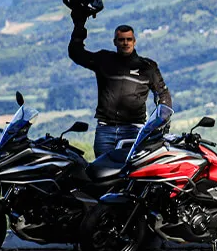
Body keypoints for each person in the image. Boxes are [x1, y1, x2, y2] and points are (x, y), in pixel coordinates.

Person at [69, 14, 172, 157]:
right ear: (115, 42)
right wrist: (79, 25)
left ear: (134, 41)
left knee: (129, 175)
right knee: (102, 175)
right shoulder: (104, 59)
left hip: (133, 131)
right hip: (105, 131)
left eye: (129, 39)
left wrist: (162, 124)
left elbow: (162, 94)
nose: (125, 43)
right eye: (121, 40)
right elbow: (76, 54)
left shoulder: (148, 67)